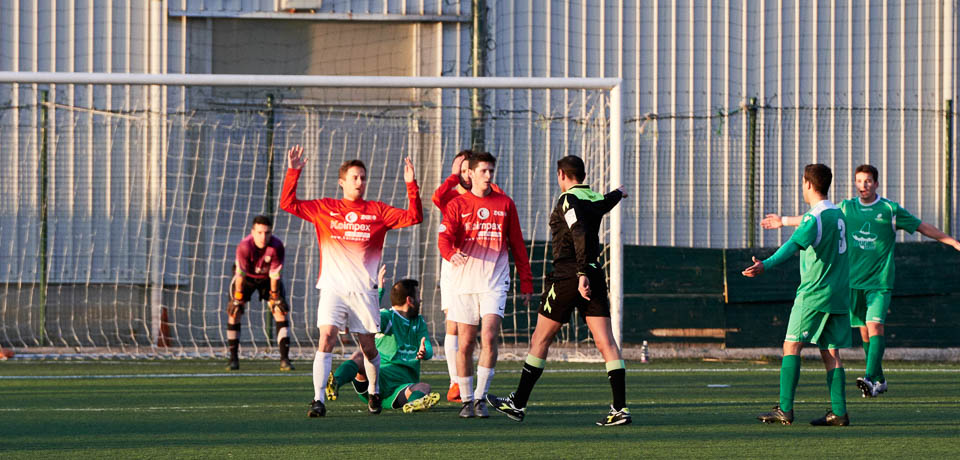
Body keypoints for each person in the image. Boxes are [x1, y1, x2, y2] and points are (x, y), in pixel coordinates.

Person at [761, 164, 960, 398]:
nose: (863, 185)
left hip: (878, 284)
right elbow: (816, 218)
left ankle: (869, 377)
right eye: (859, 181)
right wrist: (783, 221)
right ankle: (879, 379)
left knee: (875, 326)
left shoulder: (889, 209)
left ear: (876, 184)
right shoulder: (846, 208)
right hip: (852, 284)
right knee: (865, 334)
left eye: (867, 181)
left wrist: (953, 242)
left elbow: (922, 226)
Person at [485, 155, 630, 426]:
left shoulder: (567, 199)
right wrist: (618, 193)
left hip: (569, 276)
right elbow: (605, 203)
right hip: (594, 274)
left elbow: (579, 230)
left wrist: (581, 273)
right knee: (607, 343)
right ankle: (620, 409)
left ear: (561, 175)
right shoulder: (595, 198)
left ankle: (518, 403)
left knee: (540, 338)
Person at [280, 145, 423, 418]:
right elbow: (288, 204)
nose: (359, 182)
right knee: (326, 337)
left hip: (364, 292)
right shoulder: (325, 208)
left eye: (363, 177)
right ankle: (318, 400)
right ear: (342, 182)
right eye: (354, 177)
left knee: (368, 348)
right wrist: (293, 172)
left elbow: (415, 216)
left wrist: (411, 185)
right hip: (333, 288)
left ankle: (374, 391)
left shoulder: (377, 211)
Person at [743, 163, 851, 426]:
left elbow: (792, 245)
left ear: (808, 184)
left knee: (791, 346)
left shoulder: (814, 218)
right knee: (831, 352)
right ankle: (839, 412)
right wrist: (784, 221)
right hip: (838, 293)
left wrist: (765, 264)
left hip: (814, 293)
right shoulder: (838, 214)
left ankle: (785, 409)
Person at [438, 151, 534, 418]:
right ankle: (466, 399)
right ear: (470, 173)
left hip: (494, 281)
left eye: (491, 170)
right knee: (466, 342)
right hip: (464, 282)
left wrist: (526, 281)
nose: (488, 175)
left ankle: (480, 397)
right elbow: (444, 239)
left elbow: (517, 244)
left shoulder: (505, 204)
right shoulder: (457, 204)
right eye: (483, 171)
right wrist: (451, 253)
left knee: (489, 335)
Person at [432, 149, 504, 402]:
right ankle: (455, 381)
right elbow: (436, 197)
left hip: (485, 269)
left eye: (466, 170)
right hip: (455, 263)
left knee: (483, 333)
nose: (463, 174)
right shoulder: (452, 197)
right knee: (452, 323)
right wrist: (452, 176)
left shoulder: (493, 196)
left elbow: (501, 204)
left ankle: (474, 391)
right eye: (459, 171)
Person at [324, 278, 441, 413]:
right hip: (375, 382)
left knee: (424, 387)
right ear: (410, 300)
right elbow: (370, 317)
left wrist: (425, 352)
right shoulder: (387, 317)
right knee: (359, 357)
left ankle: (413, 403)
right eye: (418, 296)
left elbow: (427, 346)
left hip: (402, 387)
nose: (421, 300)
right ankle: (335, 383)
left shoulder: (419, 322)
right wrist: (378, 292)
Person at [226, 215, 293, 371]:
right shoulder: (244, 246)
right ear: (253, 232)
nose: (263, 237)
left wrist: (275, 296)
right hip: (246, 279)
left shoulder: (277, 246)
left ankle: (285, 360)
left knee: (279, 310)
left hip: (267, 279)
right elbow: (240, 276)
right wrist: (238, 298)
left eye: (267, 233)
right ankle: (233, 359)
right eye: (260, 232)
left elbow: (275, 276)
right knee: (234, 311)